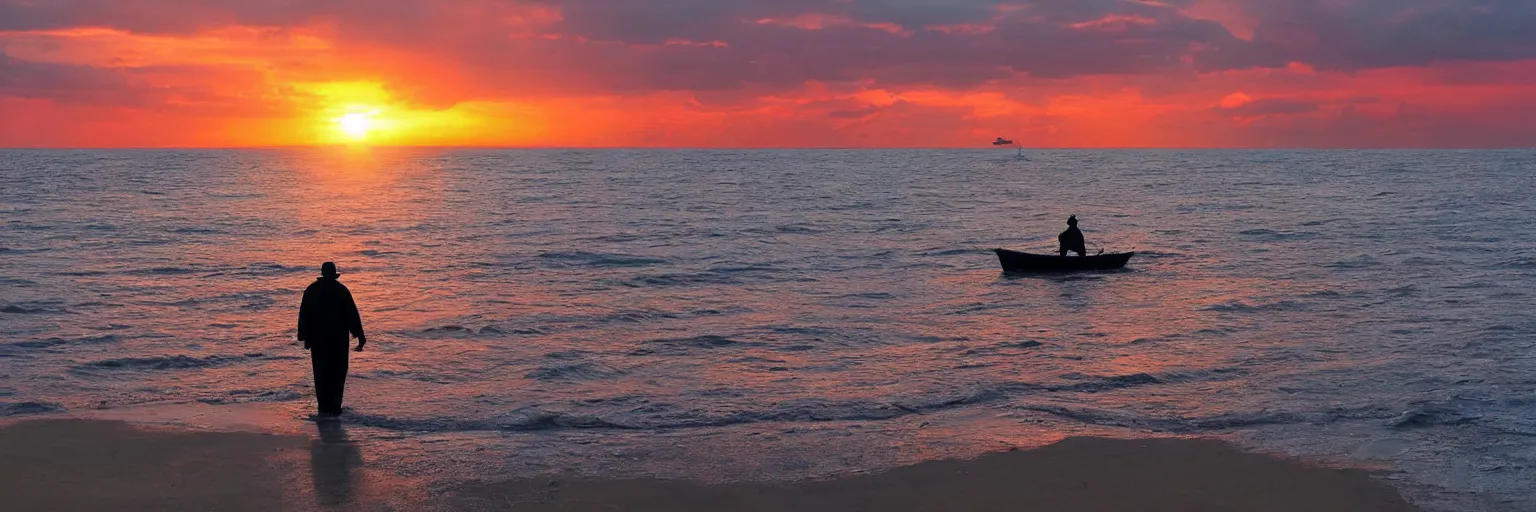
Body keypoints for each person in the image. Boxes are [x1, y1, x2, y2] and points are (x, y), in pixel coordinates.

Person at [297, 262, 365, 416]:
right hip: (338, 341)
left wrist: (305, 337)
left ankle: (324, 408)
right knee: (338, 373)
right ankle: (334, 408)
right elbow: (352, 315)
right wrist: (360, 335)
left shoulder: (312, 290)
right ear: (334, 274)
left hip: (319, 341)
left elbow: (304, 315)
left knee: (321, 374)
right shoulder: (341, 291)